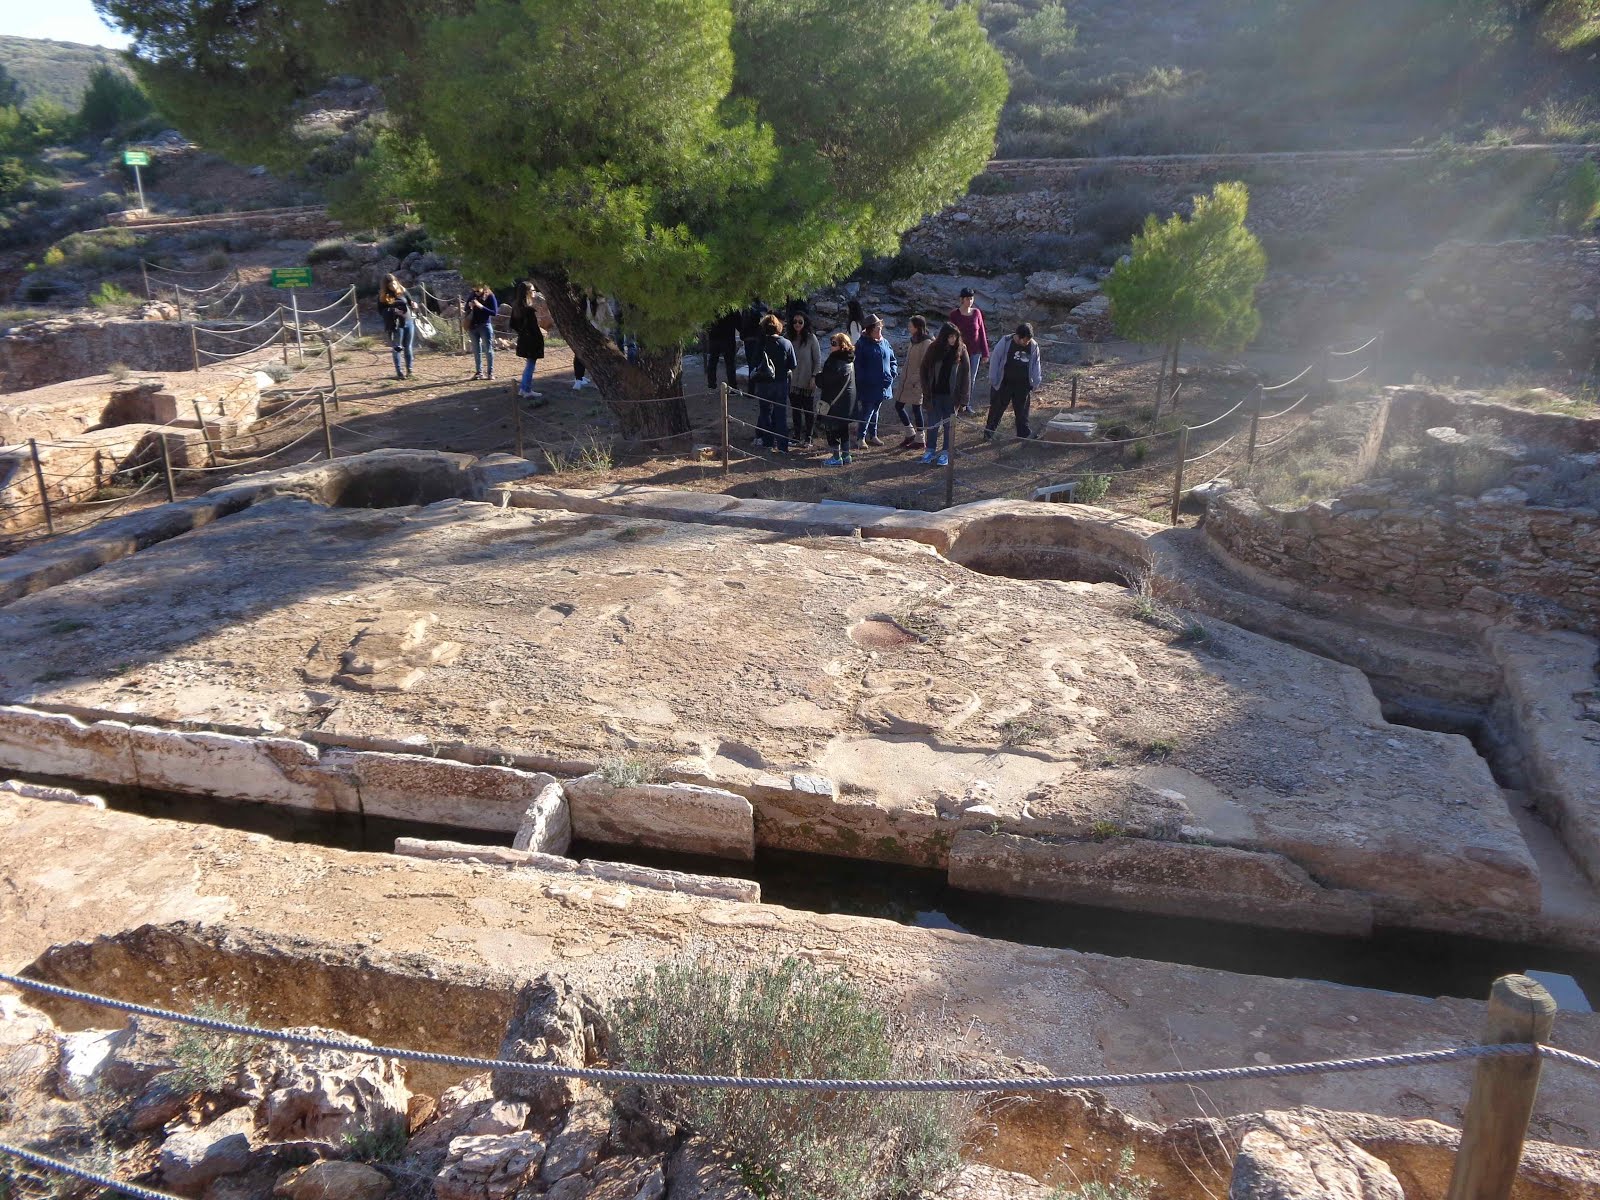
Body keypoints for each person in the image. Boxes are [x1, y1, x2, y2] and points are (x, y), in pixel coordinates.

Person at [919, 321, 971, 467]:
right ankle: (929, 450)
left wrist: (964, 399)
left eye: (955, 336)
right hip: (934, 394)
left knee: (949, 426)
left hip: (952, 396)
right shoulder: (933, 348)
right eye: (950, 337)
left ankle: (945, 453)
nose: (953, 339)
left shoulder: (962, 350)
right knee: (933, 424)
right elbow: (923, 369)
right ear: (944, 337)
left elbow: (966, 374)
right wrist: (926, 391)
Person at [748, 312, 797, 454]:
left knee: (765, 413)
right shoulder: (786, 343)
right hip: (781, 383)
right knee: (781, 415)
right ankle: (783, 446)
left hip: (763, 384)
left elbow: (754, 362)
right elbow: (793, 365)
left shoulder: (761, 344)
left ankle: (767, 442)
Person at [985, 322, 1042, 442]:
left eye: (1028, 340)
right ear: (1018, 336)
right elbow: (995, 360)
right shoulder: (1005, 342)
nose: (1027, 343)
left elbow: (1036, 364)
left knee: (1022, 411)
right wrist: (993, 379)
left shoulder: (1033, 345)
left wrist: (1036, 381)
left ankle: (1024, 433)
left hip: (1023, 384)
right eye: (1025, 340)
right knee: (997, 409)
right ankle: (989, 432)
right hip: (1004, 383)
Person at [852, 313, 897, 447]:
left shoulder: (885, 342)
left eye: (880, 328)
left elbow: (892, 359)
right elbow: (858, 366)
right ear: (870, 330)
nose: (879, 331)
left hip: (883, 385)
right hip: (869, 386)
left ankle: (873, 435)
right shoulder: (862, 345)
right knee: (867, 411)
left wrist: (892, 373)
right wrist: (865, 380)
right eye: (877, 329)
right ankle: (861, 437)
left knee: (875, 410)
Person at [817, 331, 858, 467]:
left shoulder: (834, 361)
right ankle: (846, 455)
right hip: (847, 403)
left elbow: (826, 381)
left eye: (834, 343)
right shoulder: (850, 360)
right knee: (843, 428)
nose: (831, 346)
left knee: (831, 429)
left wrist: (817, 377)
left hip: (833, 402)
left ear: (842, 345)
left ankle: (836, 458)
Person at [948, 286, 990, 417]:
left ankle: (966, 404)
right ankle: (954, 404)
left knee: (971, 379)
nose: (969, 301)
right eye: (967, 298)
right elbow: (950, 333)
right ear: (962, 299)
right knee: (956, 378)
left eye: (971, 298)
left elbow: (981, 332)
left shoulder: (977, 313)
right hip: (959, 352)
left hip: (975, 351)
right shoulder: (954, 314)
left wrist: (985, 352)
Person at [894, 315, 932, 450]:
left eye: (911, 326)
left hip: (917, 382)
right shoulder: (913, 340)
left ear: (918, 327)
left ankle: (920, 439)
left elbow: (925, 364)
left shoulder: (927, 343)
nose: (908, 328)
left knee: (917, 408)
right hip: (906, 380)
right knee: (898, 406)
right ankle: (910, 433)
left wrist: (915, 379)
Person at [786, 310, 823, 447]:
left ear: (805, 323)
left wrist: (814, 377)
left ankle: (808, 437)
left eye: (800, 322)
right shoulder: (789, 338)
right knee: (795, 410)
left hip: (808, 380)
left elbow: (818, 360)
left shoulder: (811, 338)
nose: (797, 324)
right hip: (793, 381)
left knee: (808, 410)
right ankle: (796, 436)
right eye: (795, 322)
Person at [508, 281, 545, 401]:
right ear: (528, 292)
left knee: (529, 365)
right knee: (530, 365)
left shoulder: (516, 307)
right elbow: (534, 329)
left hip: (523, 339)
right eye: (533, 290)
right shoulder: (528, 310)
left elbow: (513, 324)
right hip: (531, 341)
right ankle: (527, 390)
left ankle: (524, 388)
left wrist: (522, 333)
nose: (535, 293)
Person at [376, 273, 415, 381]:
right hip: (396, 324)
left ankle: (410, 370)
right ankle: (399, 372)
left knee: (408, 346)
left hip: (408, 321)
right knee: (397, 348)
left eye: (394, 283)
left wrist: (414, 305)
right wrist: (392, 311)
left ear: (396, 282)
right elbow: (381, 311)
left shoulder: (402, 291)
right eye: (390, 285)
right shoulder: (385, 296)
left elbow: (411, 302)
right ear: (386, 287)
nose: (393, 286)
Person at [465, 283, 499, 380]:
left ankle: (490, 372)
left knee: (488, 350)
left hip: (485, 325)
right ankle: (479, 372)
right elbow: (465, 308)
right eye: (474, 290)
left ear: (483, 288)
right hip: (473, 326)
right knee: (476, 350)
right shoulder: (472, 295)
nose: (476, 293)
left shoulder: (490, 296)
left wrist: (481, 307)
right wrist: (469, 305)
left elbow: (494, 312)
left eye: (478, 291)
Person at [703, 310, 741, 390]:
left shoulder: (711, 305)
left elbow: (706, 325)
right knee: (730, 363)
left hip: (714, 338)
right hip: (728, 338)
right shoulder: (731, 307)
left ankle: (711, 383)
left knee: (713, 361)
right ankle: (732, 386)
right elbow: (739, 323)